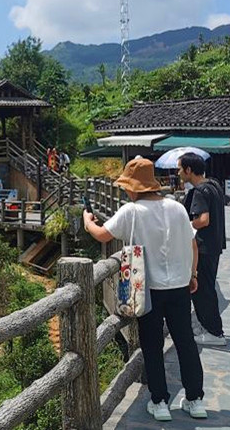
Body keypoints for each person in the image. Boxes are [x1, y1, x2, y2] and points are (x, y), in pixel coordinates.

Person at [82, 157, 206, 421]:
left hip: (149, 289)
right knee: (185, 342)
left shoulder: (132, 210)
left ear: (134, 187)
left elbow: (103, 234)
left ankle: (160, 402)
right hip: (179, 287)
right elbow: (193, 245)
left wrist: (87, 222)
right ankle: (196, 400)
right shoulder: (177, 208)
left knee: (152, 345)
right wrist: (192, 274)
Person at [178, 152, 227, 346]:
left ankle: (214, 333)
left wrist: (187, 224)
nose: (179, 172)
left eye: (180, 168)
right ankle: (209, 328)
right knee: (207, 288)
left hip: (203, 248)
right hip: (214, 246)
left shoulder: (199, 191)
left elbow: (203, 220)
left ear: (189, 170)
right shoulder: (214, 185)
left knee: (202, 290)